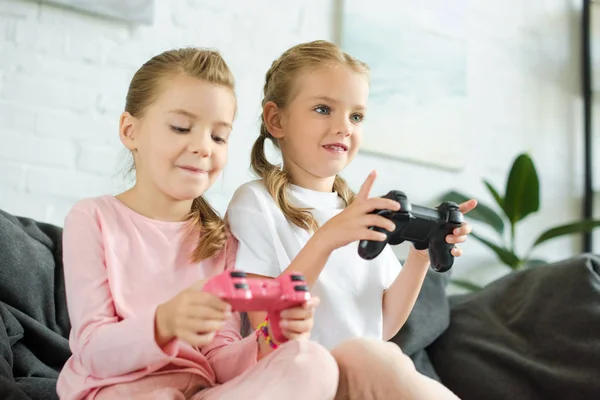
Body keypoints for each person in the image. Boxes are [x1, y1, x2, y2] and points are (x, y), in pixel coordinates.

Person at [56, 47, 339, 400]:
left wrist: (269, 339)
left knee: (312, 361)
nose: (204, 147)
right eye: (181, 127)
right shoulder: (93, 219)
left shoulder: (219, 240)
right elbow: (92, 351)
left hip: (201, 392)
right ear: (130, 130)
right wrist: (164, 322)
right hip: (116, 391)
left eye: (218, 136)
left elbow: (219, 361)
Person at [226, 39, 477, 399]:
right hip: (298, 380)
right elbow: (264, 319)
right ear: (276, 120)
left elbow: (385, 324)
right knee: (378, 359)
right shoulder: (256, 203)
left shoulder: (356, 210)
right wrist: (327, 238)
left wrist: (421, 254)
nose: (344, 126)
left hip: (360, 377)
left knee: (381, 355)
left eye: (356, 116)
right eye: (324, 109)